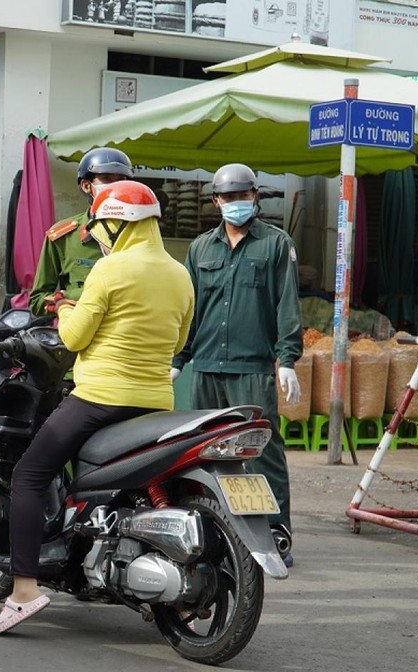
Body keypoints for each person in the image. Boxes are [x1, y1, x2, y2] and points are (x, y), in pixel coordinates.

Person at [0, 181, 195, 635]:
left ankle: (23, 591)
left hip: (100, 398)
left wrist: (64, 309)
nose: (98, 233)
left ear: (119, 223)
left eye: (102, 224)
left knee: (29, 474)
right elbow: (178, 340)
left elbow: (73, 338)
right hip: (156, 401)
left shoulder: (110, 269)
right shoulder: (180, 274)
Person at [171, 162, 303, 567]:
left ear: (256, 198)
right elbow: (191, 308)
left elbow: (286, 304)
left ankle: (277, 533)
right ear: (215, 201)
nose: (236, 203)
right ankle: (212, 534)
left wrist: (287, 359)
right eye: (228, 197)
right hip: (207, 367)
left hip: (252, 369)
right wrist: (180, 358)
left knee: (263, 453)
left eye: (243, 196)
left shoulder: (276, 245)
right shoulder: (200, 248)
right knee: (204, 453)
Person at [28, 147, 133, 316]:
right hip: (80, 335)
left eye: (121, 180)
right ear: (86, 186)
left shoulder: (137, 231)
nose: (115, 187)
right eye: (106, 179)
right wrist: (73, 297)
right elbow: (37, 302)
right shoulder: (63, 236)